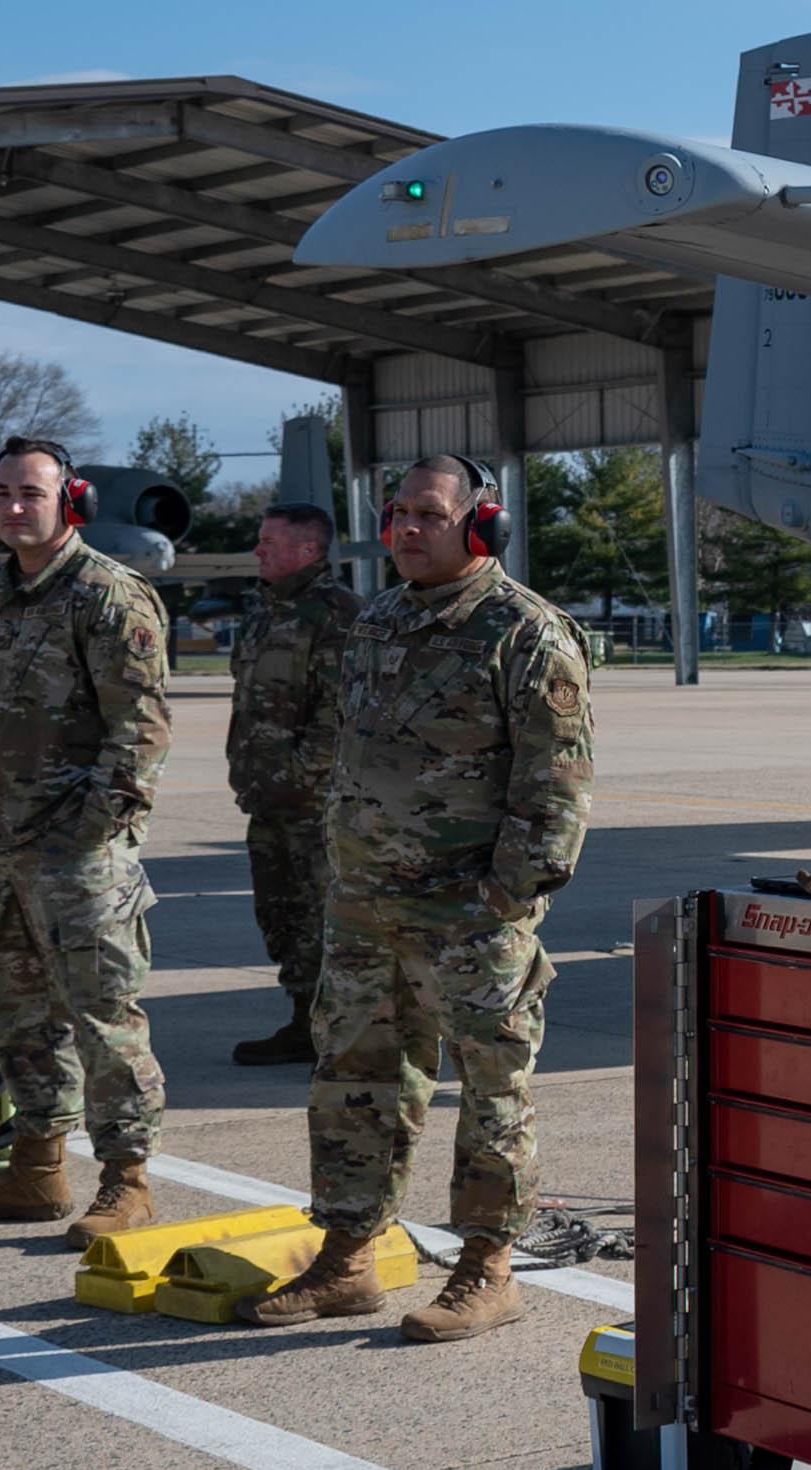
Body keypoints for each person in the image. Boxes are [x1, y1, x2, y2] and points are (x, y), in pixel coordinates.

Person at [234, 455, 594, 1341]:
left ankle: (487, 1267)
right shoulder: (380, 619)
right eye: (397, 512)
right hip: (362, 905)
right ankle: (348, 1257)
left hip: (468, 910)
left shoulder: (525, 631)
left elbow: (556, 789)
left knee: (490, 1088)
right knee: (352, 1080)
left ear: (482, 526)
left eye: (429, 514)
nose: (406, 529)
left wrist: (503, 899)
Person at [0, 437, 173, 1244]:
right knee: (13, 1011)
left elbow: (139, 733)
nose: (12, 507)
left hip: (76, 855)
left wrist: (89, 836)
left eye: (30, 494)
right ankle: (36, 1167)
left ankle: (127, 1179)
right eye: (0, 494)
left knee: (103, 1016)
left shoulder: (109, 596)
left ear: (70, 500)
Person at [226, 504, 361, 1065]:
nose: (257, 551)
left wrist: (301, 776)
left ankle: (345, 1035)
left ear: (308, 550)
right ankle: (304, 1021)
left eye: (269, 542)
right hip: (267, 800)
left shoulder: (337, 615)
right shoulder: (262, 612)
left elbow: (339, 715)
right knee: (281, 917)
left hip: (316, 805)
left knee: (325, 918)